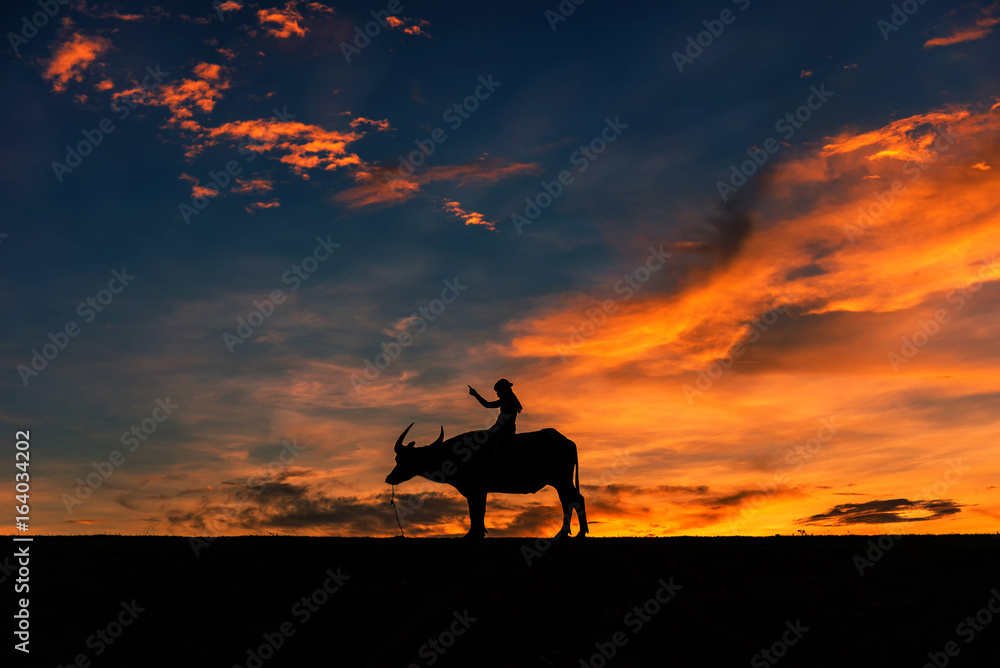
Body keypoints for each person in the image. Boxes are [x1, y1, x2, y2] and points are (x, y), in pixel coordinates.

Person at [468, 379, 522, 468]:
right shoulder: (508, 399)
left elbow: (489, 406)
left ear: (504, 390)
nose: (497, 394)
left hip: (504, 430)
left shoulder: (509, 400)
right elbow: (488, 405)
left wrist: (476, 395)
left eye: (498, 391)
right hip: (504, 428)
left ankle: (495, 465)